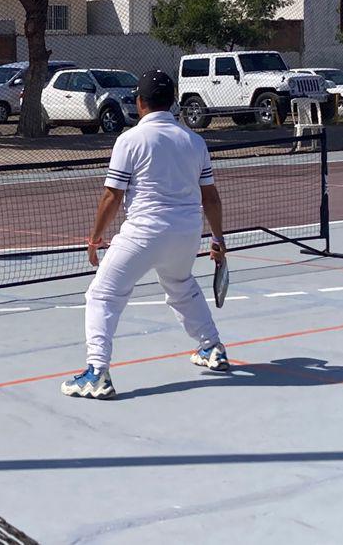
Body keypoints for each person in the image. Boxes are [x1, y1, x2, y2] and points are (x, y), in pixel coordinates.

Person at [63, 70, 229, 399]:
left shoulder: (130, 140)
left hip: (144, 232)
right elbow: (210, 197)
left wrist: (95, 237)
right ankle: (212, 347)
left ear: (139, 103)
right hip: (187, 232)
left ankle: (96, 372)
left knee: (102, 296)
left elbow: (113, 196)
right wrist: (218, 240)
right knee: (181, 286)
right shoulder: (194, 141)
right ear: (173, 103)